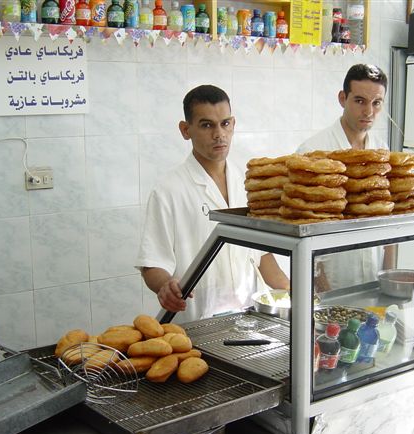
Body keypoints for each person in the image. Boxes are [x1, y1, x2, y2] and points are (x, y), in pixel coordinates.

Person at [136, 85, 290, 323]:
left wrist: (295, 294)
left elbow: (261, 255)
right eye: (207, 125)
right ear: (186, 130)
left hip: (249, 319)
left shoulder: (248, 181)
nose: (219, 134)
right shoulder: (168, 190)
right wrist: (165, 286)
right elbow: (152, 263)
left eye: (225, 123)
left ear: (234, 124)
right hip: (196, 324)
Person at [297, 64, 396, 291]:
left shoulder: (382, 152)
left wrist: (389, 281)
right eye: (360, 101)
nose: (369, 112)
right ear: (343, 99)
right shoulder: (313, 152)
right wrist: (324, 291)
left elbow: (392, 224)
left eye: (376, 103)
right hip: (331, 282)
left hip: (373, 279)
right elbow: (304, 230)